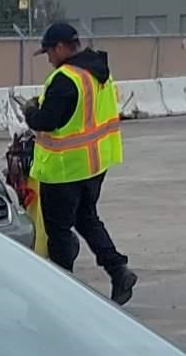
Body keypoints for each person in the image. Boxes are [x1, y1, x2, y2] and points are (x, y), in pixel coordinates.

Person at [21, 21, 138, 306]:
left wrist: (31, 111)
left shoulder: (65, 78)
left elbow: (47, 121)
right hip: (94, 165)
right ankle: (118, 270)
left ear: (62, 47)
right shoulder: (98, 72)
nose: (48, 58)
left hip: (64, 170)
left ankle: (63, 293)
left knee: (58, 232)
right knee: (87, 218)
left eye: (49, 51)